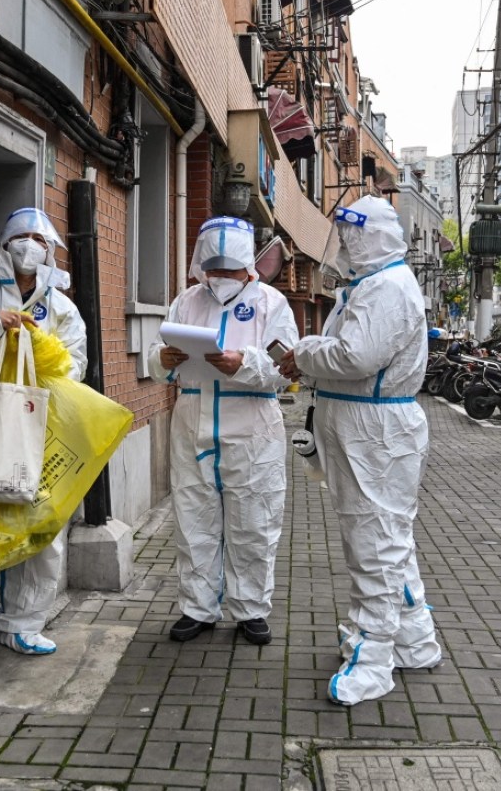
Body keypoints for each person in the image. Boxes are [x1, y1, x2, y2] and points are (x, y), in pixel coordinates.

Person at [277, 195, 441, 706]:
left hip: (374, 429)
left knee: (374, 542)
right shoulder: (372, 286)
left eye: (351, 235)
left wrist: (302, 353)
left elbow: (357, 355)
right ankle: (414, 638)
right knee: (388, 538)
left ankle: (372, 658)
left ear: (371, 236)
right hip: (363, 425)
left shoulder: (387, 288)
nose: (344, 245)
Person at [147, 216, 299, 645]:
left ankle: (250, 610)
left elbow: (285, 368)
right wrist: (164, 360)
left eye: (230, 270)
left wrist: (244, 364)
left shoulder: (273, 304)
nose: (221, 279)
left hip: (251, 425)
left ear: (248, 267)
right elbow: (154, 365)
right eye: (213, 270)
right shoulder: (187, 301)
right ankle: (198, 608)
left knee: (254, 521)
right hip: (192, 421)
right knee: (194, 519)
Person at [0, 207, 87, 659]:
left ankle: (21, 623)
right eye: (24, 236)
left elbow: (76, 364)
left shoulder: (61, 305)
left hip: (39, 424)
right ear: (5, 244)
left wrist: (43, 350)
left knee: (42, 527)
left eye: (41, 238)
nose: (32, 245)